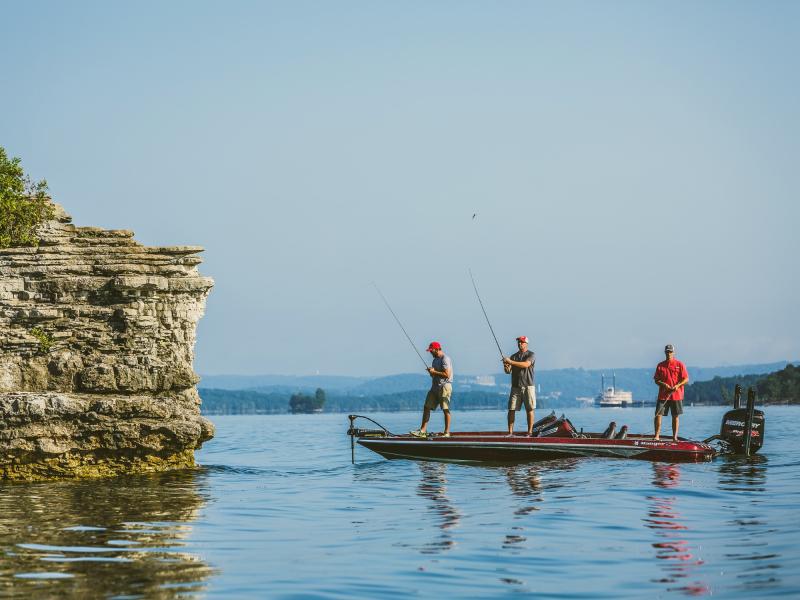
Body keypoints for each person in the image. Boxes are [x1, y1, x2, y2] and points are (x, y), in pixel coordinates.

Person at [410, 341, 453, 437]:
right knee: (426, 407)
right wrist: (431, 373)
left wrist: (434, 371)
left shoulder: (445, 359)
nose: (430, 353)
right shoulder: (434, 361)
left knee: (445, 409)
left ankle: (447, 432)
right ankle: (423, 430)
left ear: (437, 349)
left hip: (444, 387)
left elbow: (447, 374)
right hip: (434, 387)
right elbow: (434, 375)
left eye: (431, 351)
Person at [653, 344, 689, 441]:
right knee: (658, 415)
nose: (669, 353)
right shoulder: (660, 365)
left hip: (676, 395)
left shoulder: (680, 364)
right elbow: (656, 380)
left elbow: (686, 379)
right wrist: (664, 385)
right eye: (667, 351)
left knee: (675, 416)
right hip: (663, 395)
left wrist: (677, 385)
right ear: (665, 352)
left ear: (674, 352)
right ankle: (657, 436)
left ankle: (674, 437)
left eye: (670, 351)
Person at [503, 336, 536, 436]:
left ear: (526, 343)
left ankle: (529, 432)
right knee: (511, 409)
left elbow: (526, 364)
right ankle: (510, 432)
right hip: (515, 387)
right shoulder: (513, 356)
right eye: (518, 342)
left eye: (522, 342)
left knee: (529, 409)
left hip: (528, 386)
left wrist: (510, 362)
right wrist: (506, 365)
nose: (519, 344)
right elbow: (507, 372)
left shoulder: (531, 354)